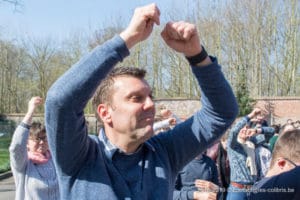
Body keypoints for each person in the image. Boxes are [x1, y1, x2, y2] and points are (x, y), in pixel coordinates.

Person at [45, 3, 238, 199]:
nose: (150, 104)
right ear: (105, 113)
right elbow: (60, 102)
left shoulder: (165, 152)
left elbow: (221, 112)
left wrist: (196, 54)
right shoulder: (79, 156)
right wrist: (128, 38)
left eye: (150, 96)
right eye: (136, 98)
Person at [9, 97, 59, 200]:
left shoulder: (54, 161)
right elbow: (16, 147)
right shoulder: (23, 164)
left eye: (44, 138)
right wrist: (30, 112)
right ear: (27, 143)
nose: (41, 142)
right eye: (37, 139)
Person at [226, 108, 274, 200]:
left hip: (252, 189)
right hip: (237, 191)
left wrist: (257, 131)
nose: (245, 129)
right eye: (242, 128)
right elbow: (234, 131)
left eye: (247, 127)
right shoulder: (233, 145)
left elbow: (271, 132)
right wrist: (250, 115)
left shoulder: (252, 142)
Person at [247, 128, 300, 200]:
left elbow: (271, 131)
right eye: (296, 170)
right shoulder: (264, 193)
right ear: (282, 163)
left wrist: (258, 130)